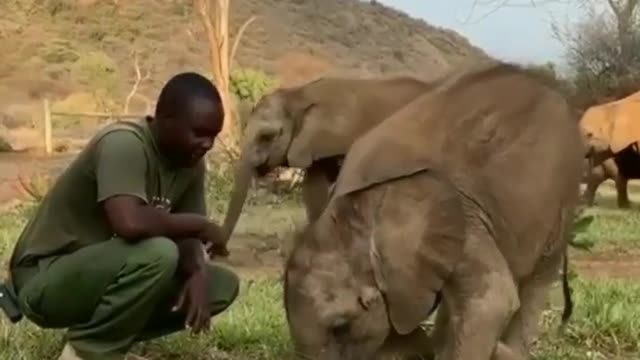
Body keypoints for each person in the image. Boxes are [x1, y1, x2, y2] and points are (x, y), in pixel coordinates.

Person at [6, 72, 240, 360]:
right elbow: (129, 222)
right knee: (159, 253)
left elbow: (187, 237)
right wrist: (204, 226)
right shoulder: (124, 143)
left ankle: (109, 340)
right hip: (44, 281)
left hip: (101, 274)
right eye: (198, 132)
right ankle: (84, 353)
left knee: (220, 285)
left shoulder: (190, 164)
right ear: (164, 118)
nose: (207, 144)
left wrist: (199, 271)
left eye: (212, 136)